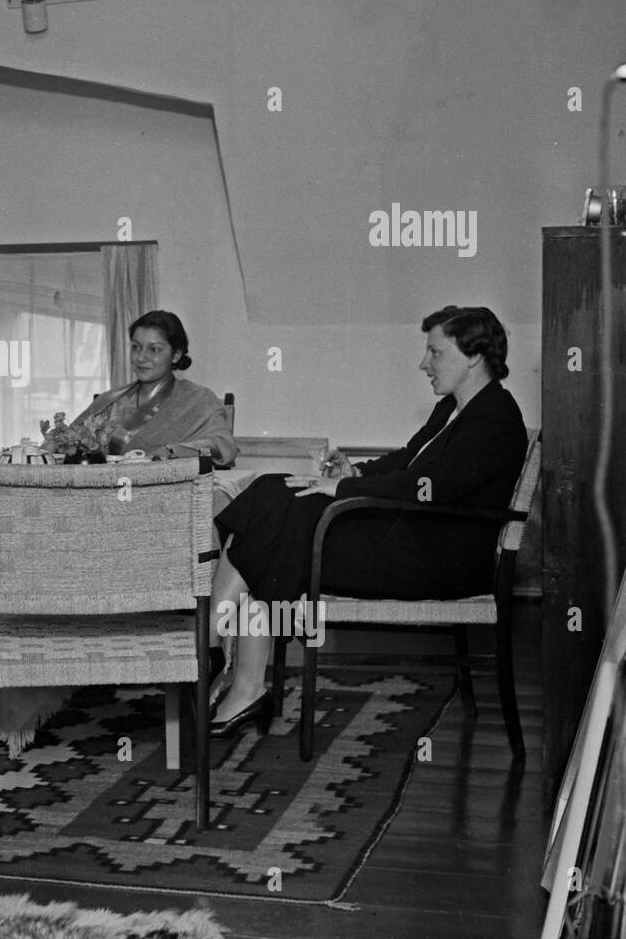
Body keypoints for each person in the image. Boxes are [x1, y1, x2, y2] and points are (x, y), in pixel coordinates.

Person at [208, 305, 527, 739]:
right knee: (273, 489)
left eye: (434, 353)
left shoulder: (497, 417)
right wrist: (353, 473)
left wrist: (339, 491)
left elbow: (427, 487)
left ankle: (217, 651)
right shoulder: (453, 408)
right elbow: (406, 461)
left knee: (286, 522)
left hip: (438, 559)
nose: (423, 364)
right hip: (414, 537)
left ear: (473, 356)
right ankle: (237, 680)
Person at [62, 310, 237, 465]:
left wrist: (174, 451)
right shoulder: (110, 400)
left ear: (176, 355)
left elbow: (222, 443)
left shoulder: (198, 399)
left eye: (154, 350)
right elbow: (68, 440)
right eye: (136, 347)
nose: (141, 358)